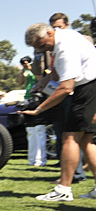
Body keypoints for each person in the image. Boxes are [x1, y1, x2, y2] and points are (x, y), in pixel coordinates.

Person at [22, 22, 96, 201]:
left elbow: (65, 88)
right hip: (91, 86)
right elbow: (57, 72)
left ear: (48, 32)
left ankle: (64, 189)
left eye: (41, 45)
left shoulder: (64, 47)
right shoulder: (65, 36)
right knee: (86, 141)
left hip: (87, 88)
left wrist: (40, 109)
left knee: (69, 137)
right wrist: (46, 79)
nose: (41, 50)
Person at [18, 56, 47, 167]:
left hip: (38, 98)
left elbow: (41, 79)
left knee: (39, 130)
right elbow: (20, 82)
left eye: (27, 63)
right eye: (23, 63)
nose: (25, 65)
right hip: (28, 98)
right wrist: (23, 71)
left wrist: (31, 69)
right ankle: (32, 159)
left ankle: (40, 160)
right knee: (30, 131)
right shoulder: (24, 71)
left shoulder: (37, 69)